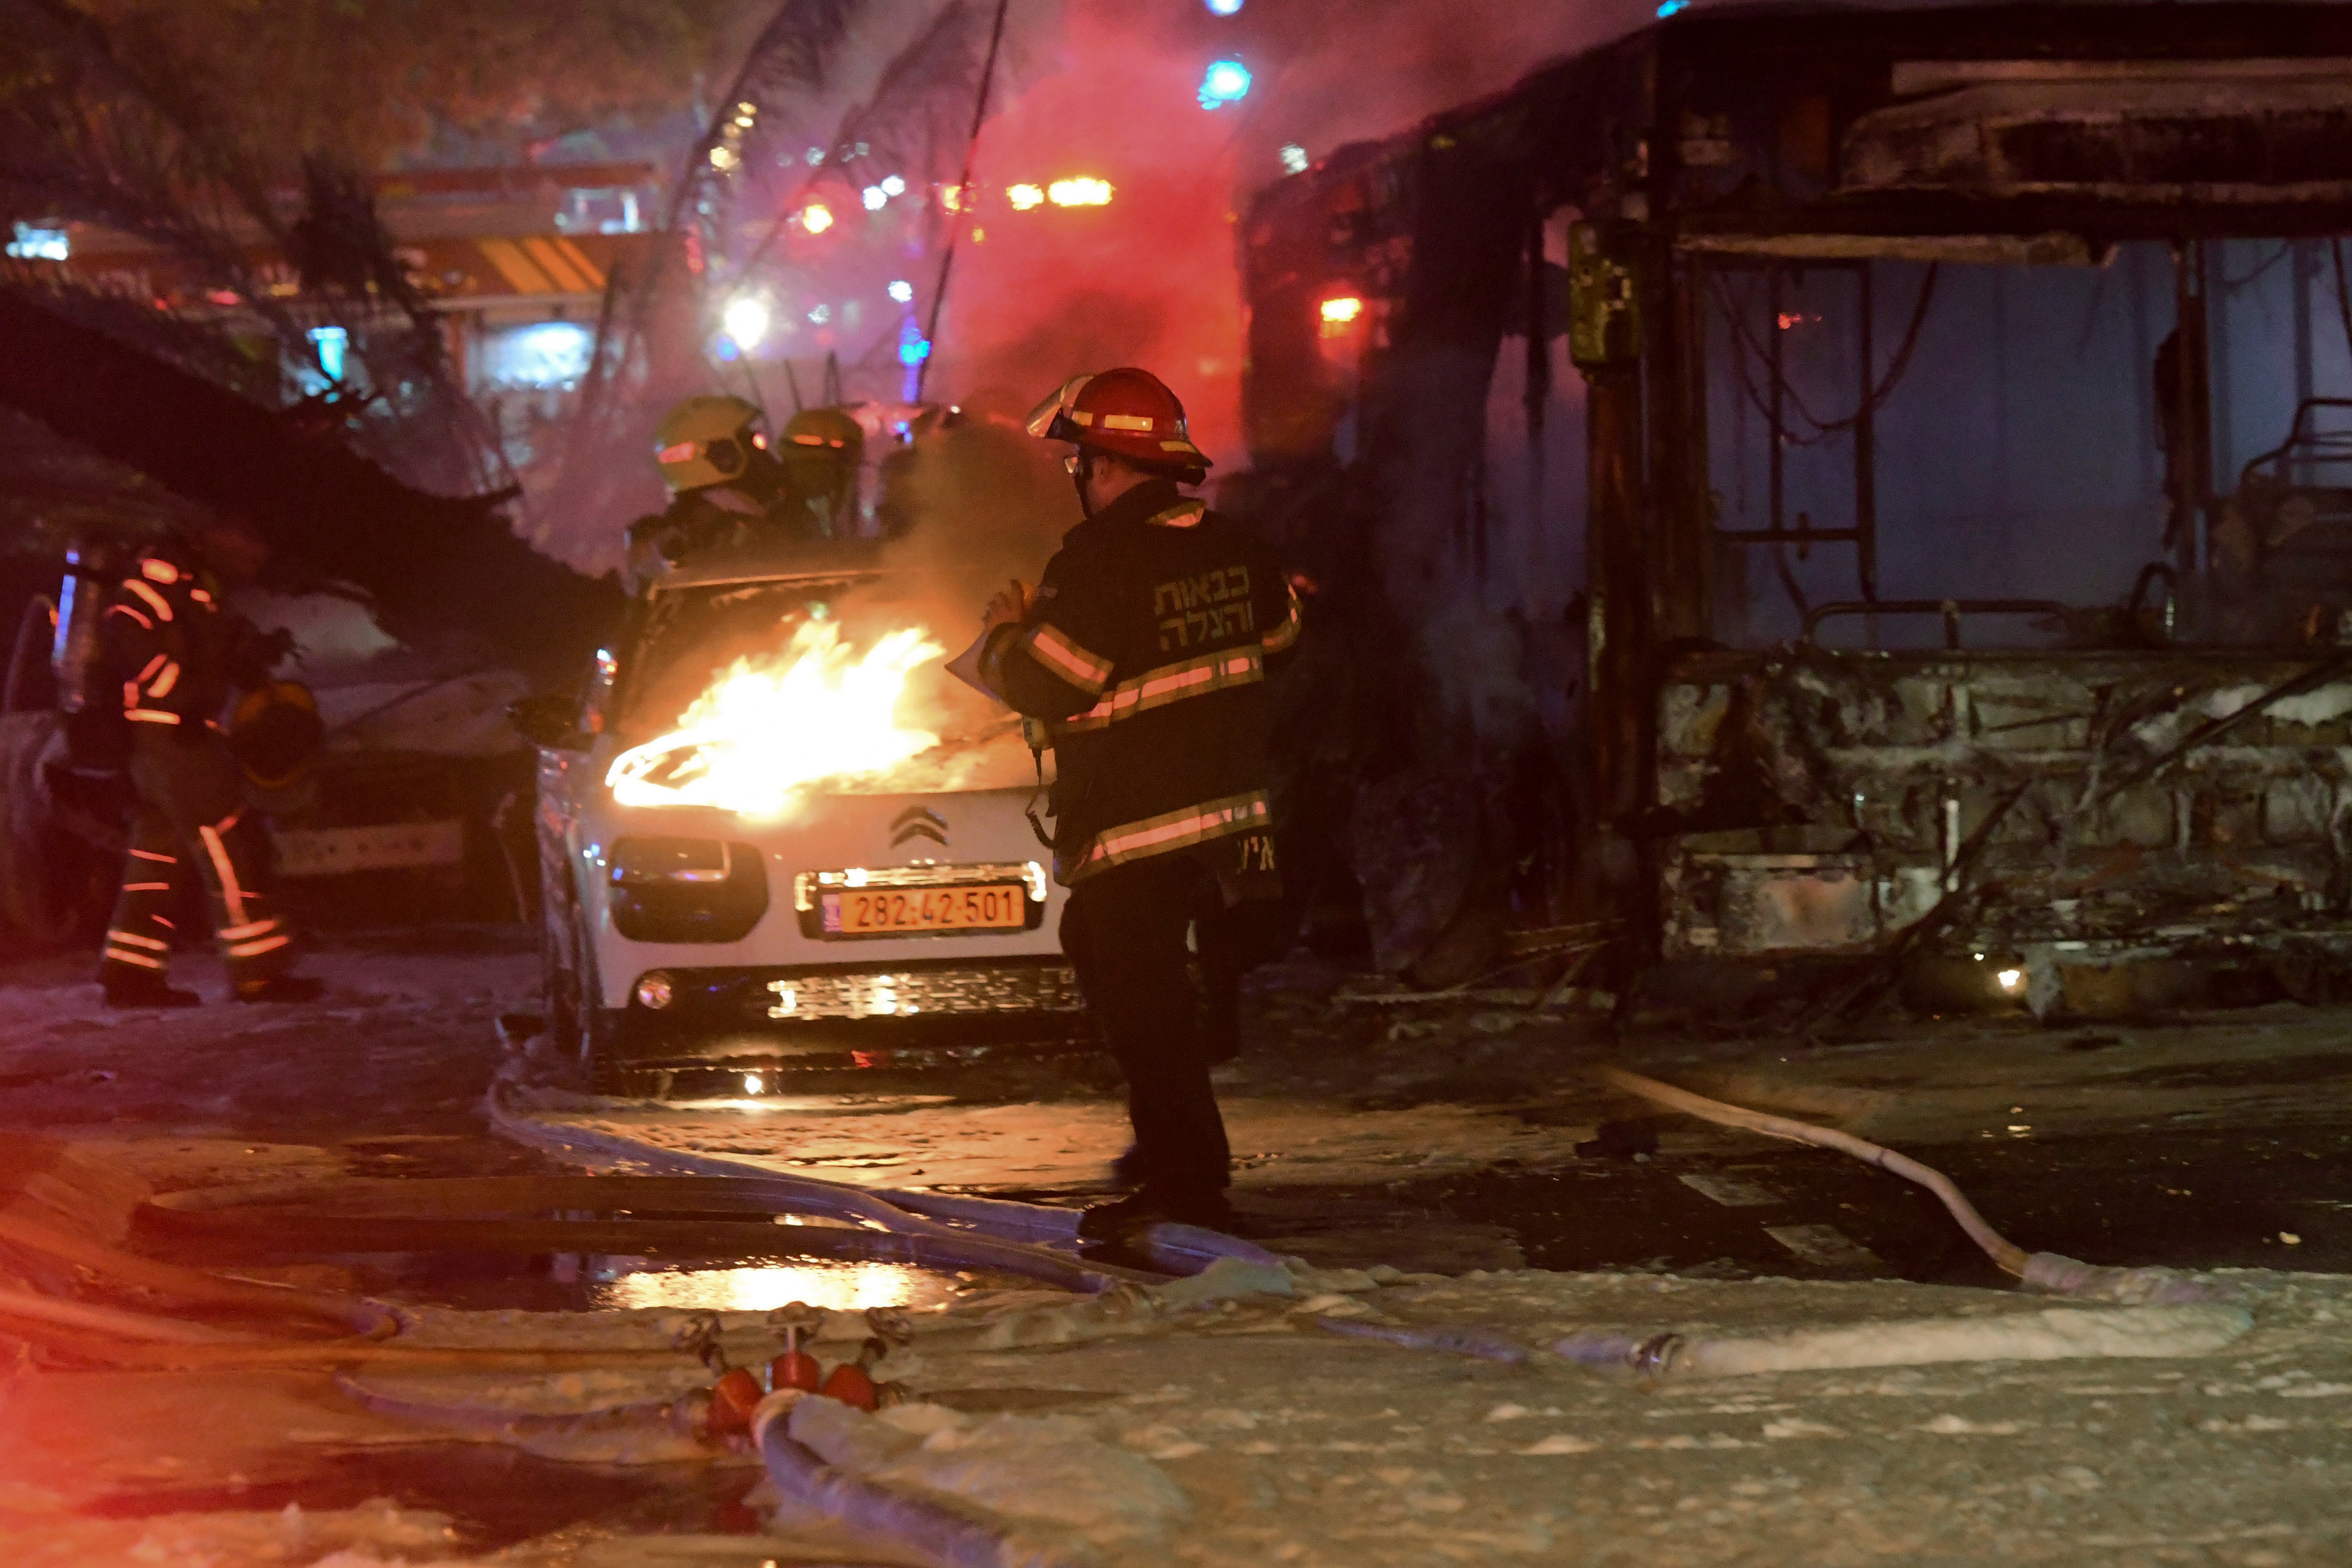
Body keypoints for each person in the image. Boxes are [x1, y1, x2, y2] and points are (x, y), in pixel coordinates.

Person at [967, 368, 1302, 1239]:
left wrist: (1007, 634)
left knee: (1141, 999)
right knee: (1132, 975)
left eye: (1079, 459)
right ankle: (1171, 1134)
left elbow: (1051, 680)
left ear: (1104, 464)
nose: (1078, 475)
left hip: (1141, 826)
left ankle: (1184, 1179)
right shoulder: (1238, 545)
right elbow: (1280, 640)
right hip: (1231, 825)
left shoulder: (1100, 559)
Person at [78, 527, 321, 1007]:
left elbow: (207, 645)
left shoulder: (197, 583)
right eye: (249, 539)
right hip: (175, 738)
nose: (259, 551)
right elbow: (129, 631)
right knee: (231, 845)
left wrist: (251, 657)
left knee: (156, 860)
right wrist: (182, 697)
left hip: (163, 740)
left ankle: (129, 975)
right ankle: (260, 973)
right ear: (216, 532)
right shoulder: (161, 575)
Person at [626, 397, 857, 584]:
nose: (764, 452)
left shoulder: (743, 511)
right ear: (723, 456)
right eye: (753, 442)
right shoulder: (717, 530)